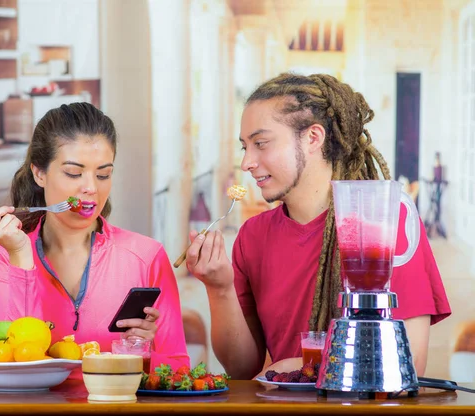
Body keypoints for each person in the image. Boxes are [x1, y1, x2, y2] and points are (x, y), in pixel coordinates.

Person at [185, 73, 451, 379]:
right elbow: (243, 368)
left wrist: (297, 366)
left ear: (313, 138)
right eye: (246, 147)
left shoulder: (385, 222)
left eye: (261, 143)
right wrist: (220, 289)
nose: (247, 162)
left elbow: (411, 361)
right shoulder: (252, 236)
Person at [0, 102, 190, 371]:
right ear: (39, 173)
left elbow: (179, 369)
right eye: (73, 173)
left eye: (103, 174)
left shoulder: (147, 257)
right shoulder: (1, 260)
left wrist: (142, 357)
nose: (90, 188)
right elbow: (20, 365)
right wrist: (19, 255)